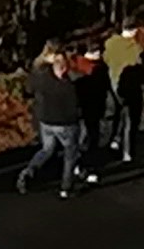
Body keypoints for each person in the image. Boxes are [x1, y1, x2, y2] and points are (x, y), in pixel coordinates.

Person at [18, 47, 96, 193]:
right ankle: (66, 186)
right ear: (65, 68)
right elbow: (77, 106)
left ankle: (28, 172)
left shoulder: (42, 78)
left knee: (46, 150)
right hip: (66, 124)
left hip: (46, 122)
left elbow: (29, 89)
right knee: (70, 153)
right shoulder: (70, 86)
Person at [101, 23, 144, 166]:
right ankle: (128, 152)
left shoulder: (110, 43)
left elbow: (105, 60)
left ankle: (115, 139)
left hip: (113, 85)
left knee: (117, 114)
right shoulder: (137, 49)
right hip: (131, 88)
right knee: (131, 119)